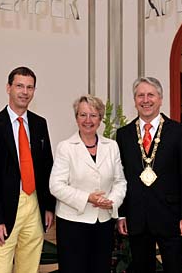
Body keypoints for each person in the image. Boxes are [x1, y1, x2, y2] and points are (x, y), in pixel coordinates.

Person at [0, 66, 55, 273]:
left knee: (29, 268)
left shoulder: (40, 124)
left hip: (34, 205)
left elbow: (47, 167)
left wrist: (48, 206)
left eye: (30, 87)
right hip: (4, 210)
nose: (24, 92)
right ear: (8, 88)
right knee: (1, 269)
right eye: (19, 86)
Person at [116, 76, 182, 273]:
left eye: (151, 95)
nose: (146, 100)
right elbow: (120, 177)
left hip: (172, 217)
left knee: (175, 268)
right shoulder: (124, 135)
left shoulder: (179, 133)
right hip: (137, 217)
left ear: (160, 99)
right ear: (134, 100)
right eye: (140, 95)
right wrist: (121, 214)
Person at [49, 95, 127, 273]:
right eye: (83, 115)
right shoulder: (65, 147)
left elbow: (120, 181)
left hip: (103, 222)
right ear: (76, 118)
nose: (88, 120)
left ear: (100, 118)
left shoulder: (112, 146)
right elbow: (56, 185)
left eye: (93, 115)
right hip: (72, 223)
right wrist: (87, 198)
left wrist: (112, 201)